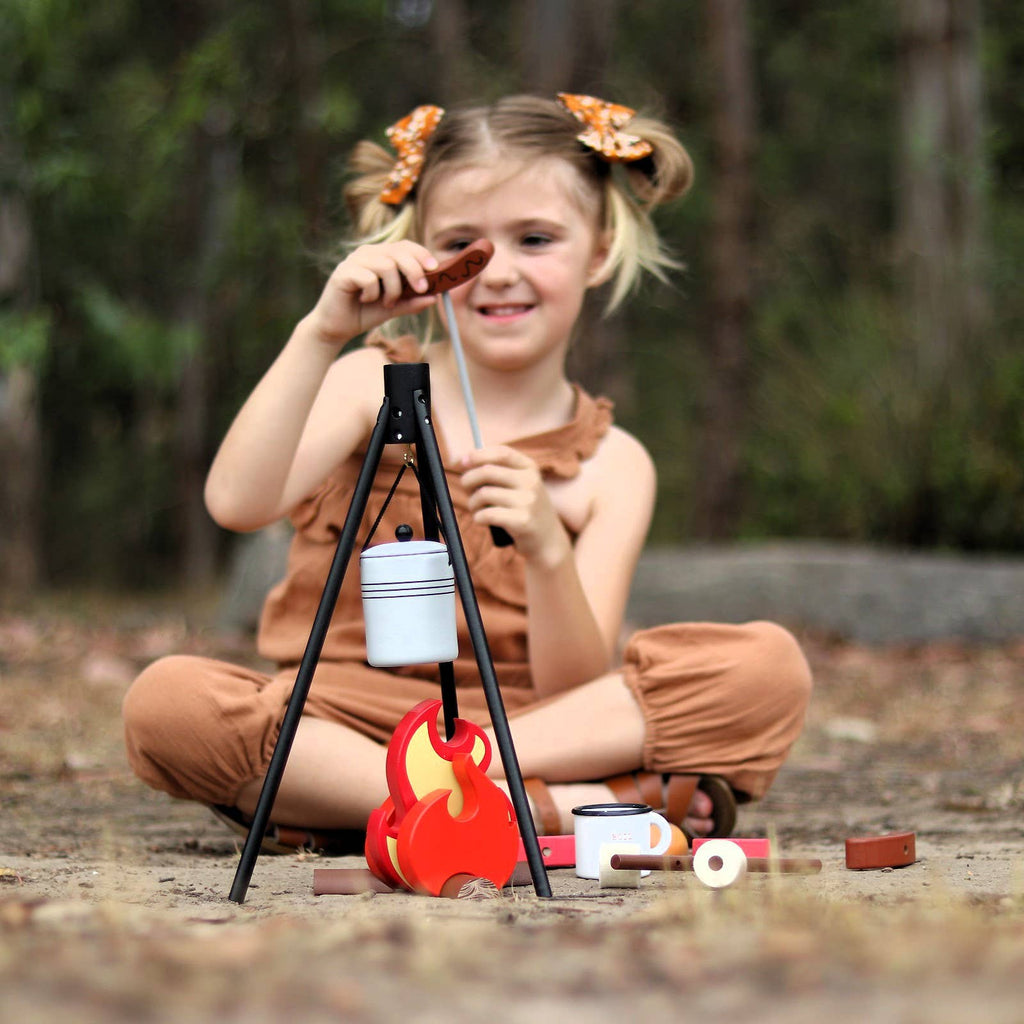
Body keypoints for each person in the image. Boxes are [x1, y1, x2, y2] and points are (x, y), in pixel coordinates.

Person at [122, 94, 812, 853]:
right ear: (420, 251)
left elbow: (576, 685)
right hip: (344, 715)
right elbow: (235, 500)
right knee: (169, 706)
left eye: (537, 238)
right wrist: (320, 332)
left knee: (767, 669)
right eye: (463, 244)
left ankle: (394, 802)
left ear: (600, 250)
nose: (499, 273)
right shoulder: (369, 385)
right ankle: (559, 812)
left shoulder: (615, 465)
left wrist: (548, 547)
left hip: (531, 726)